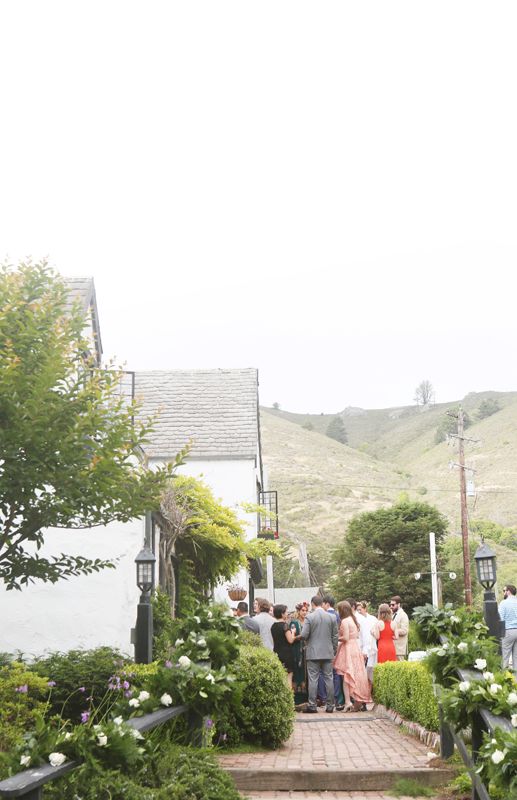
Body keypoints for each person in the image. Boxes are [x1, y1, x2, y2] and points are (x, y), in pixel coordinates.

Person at [300, 595, 338, 713]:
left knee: (313, 679)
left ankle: (312, 705)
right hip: (327, 652)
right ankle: (330, 705)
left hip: (313, 652)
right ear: (322, 604)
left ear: (312, 604)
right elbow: (335, 636)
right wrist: (334, 649)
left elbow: (304, 635)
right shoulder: (332, 617)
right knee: (329, 678)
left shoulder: (309, 617)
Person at [333, 600, 371, 711]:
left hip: (348, 648)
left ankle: (347, 702)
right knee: (355, 674)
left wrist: (335, 638)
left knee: (346, 675)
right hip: (355, 647)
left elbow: (345, 638)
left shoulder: (345, 621)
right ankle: (355, 699)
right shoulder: (353, 619)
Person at [318, 594, 344, 707]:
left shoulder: (324, 616)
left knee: (323, 673)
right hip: (337, 646)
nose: (322, 606)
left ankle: (324, 698)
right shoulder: (338, 616)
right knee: (336, 674)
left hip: (324, 647)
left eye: (323, 604)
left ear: (327, 604)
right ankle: (336, 698)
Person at [271, 604, 296, 688]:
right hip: (286, 654)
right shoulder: (285, 626)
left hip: (277, 652)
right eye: (286, 612)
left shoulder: (273, 626)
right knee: (289, 677)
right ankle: (289, 699)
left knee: (280, 677)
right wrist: (293, 632)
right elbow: (290, 640)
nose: (287, 614)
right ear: (282, 614)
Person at [357, 600, 378, 692]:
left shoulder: (373, 619)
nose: (359, 612)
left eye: (360, 609)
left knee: (372, 671)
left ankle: (373, 692)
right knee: (363, 672)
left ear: (365, 609)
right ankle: (365, 693)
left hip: (372, 647)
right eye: (357, 610)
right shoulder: (357, 619)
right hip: (362, 648)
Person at [291, 602, 309, 706]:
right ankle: (296, 698)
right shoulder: (294, 622)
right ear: (298, 611)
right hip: (297, 649)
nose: (304, 612)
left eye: (306, 610)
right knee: (297, 671)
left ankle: (304, 697)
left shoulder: (307, 621)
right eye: (303, 610)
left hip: (306, 650)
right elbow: (292, 637)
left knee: (305, 673)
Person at [499, 584, 517, 675]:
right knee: (516, 658)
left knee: (505, 657)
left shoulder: (503, 603)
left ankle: (505, 679)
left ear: (508, 591)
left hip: (508, 631)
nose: (504, 592)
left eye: (504, 590)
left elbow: (500, 619)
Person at [390, 596, 409, 660]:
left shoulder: (403, 615)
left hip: (399, 648)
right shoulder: (392, 614)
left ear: (399, 604)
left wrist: (392, 631)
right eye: (390, 605)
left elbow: (404, 631)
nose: (391, 606)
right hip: (392, 647)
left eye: (393, 605)